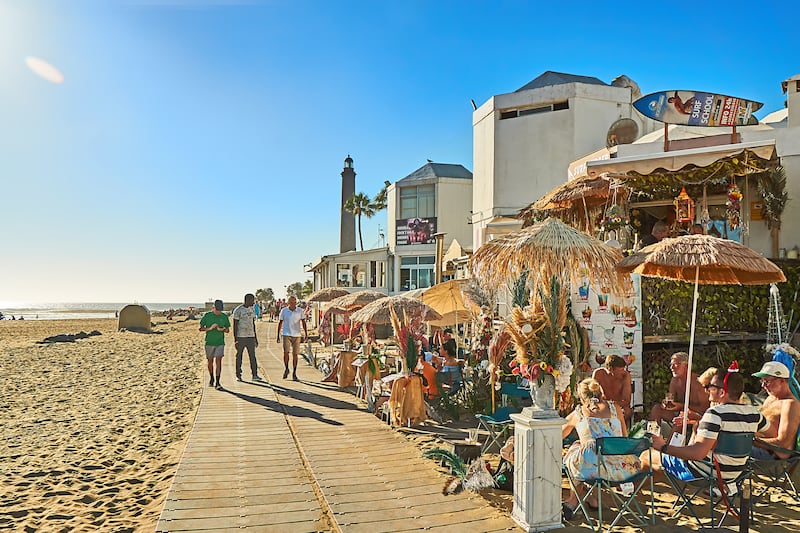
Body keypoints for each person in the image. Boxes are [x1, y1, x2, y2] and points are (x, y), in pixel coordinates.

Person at [645, 364, 769, 484]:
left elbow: (697, 453)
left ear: (722, 393)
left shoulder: (715, 414)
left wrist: (664, 447)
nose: (707, 389)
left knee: (647, 456)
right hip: (737, 474)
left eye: (711, 386)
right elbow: (772, 433)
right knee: (657, 466)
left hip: (705, 473)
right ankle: (633, 490)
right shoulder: (754, 414)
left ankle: (631, 493)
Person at [561, 378, 639, 520]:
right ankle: (594, 499)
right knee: (596, 451)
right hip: (623, 470)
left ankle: (573, 500)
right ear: (600, 392)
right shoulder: (615, 408)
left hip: (595, 471)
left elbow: (558, 433)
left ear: (581, 396)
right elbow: (624, 438)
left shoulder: (579, 413)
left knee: (577, 452)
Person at [648, 352, 709, 434]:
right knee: (656, 409)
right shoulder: (674, 380)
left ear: (686, 366)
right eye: (671, 364)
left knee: (680, 418)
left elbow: (704, 408)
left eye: (676, 364)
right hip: (681, 413)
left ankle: (668, 446)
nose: (672, 367)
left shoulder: (698, 382)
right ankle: (652, 437)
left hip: (698, 415)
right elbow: (672, 401)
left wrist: (681, 406)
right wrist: (666, 404)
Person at [752, 361, 800, 459]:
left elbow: (783, 443)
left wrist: (750, 440)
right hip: (757, 446)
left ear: (782, 381)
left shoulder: (790, 404)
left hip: (772, 456)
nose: (763, 385)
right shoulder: (770, 398)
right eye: (762, 381)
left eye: (767, 381)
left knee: (725, 447)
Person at [199, 300, 230, 390]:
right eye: (217, 310)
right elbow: (200, 328)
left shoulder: (224, 316)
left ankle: (218, 382)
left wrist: (223, 329)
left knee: (219, 361)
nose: (218, 312)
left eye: (220, 311)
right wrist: (210, 328)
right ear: (213, 308)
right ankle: (211, 378)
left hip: (220, 342)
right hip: (209, 342)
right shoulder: (207, 316)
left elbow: (228, 330)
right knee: (210, 361)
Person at [276, 295, 308, 380]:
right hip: (286, 334)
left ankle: (294, 372)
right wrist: (278, 335)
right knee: (286, 352)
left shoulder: (300, 311)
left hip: (297, 334)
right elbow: (280, 322)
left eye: (294, 302)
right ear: (288, 303)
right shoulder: (284, 311)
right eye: (291, 302)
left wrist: (306, 334)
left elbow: (303, 322)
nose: (293, 304)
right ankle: (286, 368)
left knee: (295, 354)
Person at [592, 354, 632, 419]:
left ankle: (622, 428)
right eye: (620, 371)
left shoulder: (625, 375)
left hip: (619, 405)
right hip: (603, 404)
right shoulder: (598, 373)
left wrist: (613, 405)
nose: (622, 372)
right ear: (610, 369)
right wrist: (604, 405)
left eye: (623, 370)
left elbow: (626, 400)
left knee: (627, 411)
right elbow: (593, 394)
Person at [233, 293, 261, 382]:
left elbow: (253, 324)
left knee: (252, 356)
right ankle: (238, 374)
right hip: (241, 337)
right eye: (252, 300)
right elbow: (235, 326)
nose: (253, 302)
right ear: (247, 300)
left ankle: (255, 374)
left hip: (250, 336)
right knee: (239, 356)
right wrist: (236, 340)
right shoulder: (238, 310)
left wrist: (255, 338)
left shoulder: (252, 309)